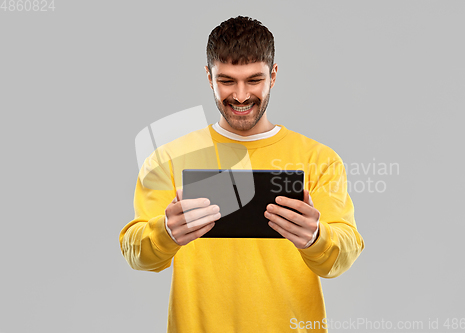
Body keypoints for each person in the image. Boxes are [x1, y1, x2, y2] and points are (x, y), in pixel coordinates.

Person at [119, 16, 365, 332]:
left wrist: (317, 237)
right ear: (209, 77)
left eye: (253, 80)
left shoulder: (319, 160)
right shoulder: (167, 158)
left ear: (273, 76)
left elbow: (341, 256)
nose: (240, 95)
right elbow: (138, 254)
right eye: (226, 80)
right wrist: (165, 232)